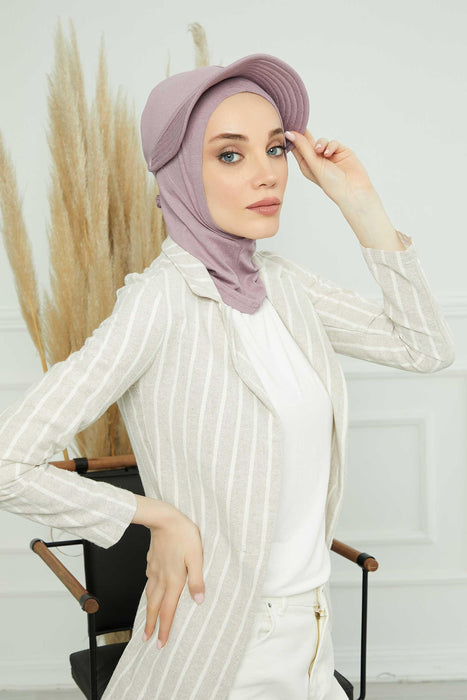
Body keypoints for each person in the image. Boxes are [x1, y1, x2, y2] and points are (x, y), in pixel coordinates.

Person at [0, 53, 455, 700]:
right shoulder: (159, 301)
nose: (267, 173)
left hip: (312, 633)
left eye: (275, 148)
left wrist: (359, 203)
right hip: (224, 647)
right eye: (230, 155)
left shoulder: (284, 286)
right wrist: (158, 517)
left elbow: (424, 348)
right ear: (181, 171)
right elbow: (9, 462)